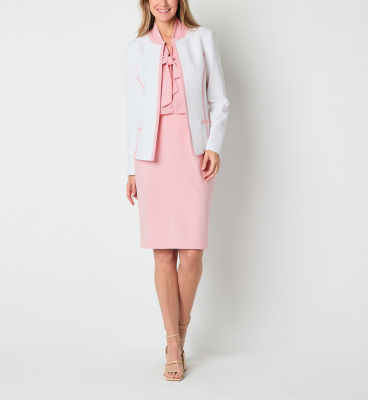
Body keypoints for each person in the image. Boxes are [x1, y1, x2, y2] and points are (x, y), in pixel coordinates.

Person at [124, 0, 230, 381]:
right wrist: (130, 168)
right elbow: (133, 111)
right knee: (163, 251)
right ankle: (173, 344)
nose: (162, 2)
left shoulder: (203, 39)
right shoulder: (136, 49)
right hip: (151, 157)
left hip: (194, 152)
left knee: (192, 252)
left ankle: (178, 335)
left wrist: (214, 145)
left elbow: (219, 100)